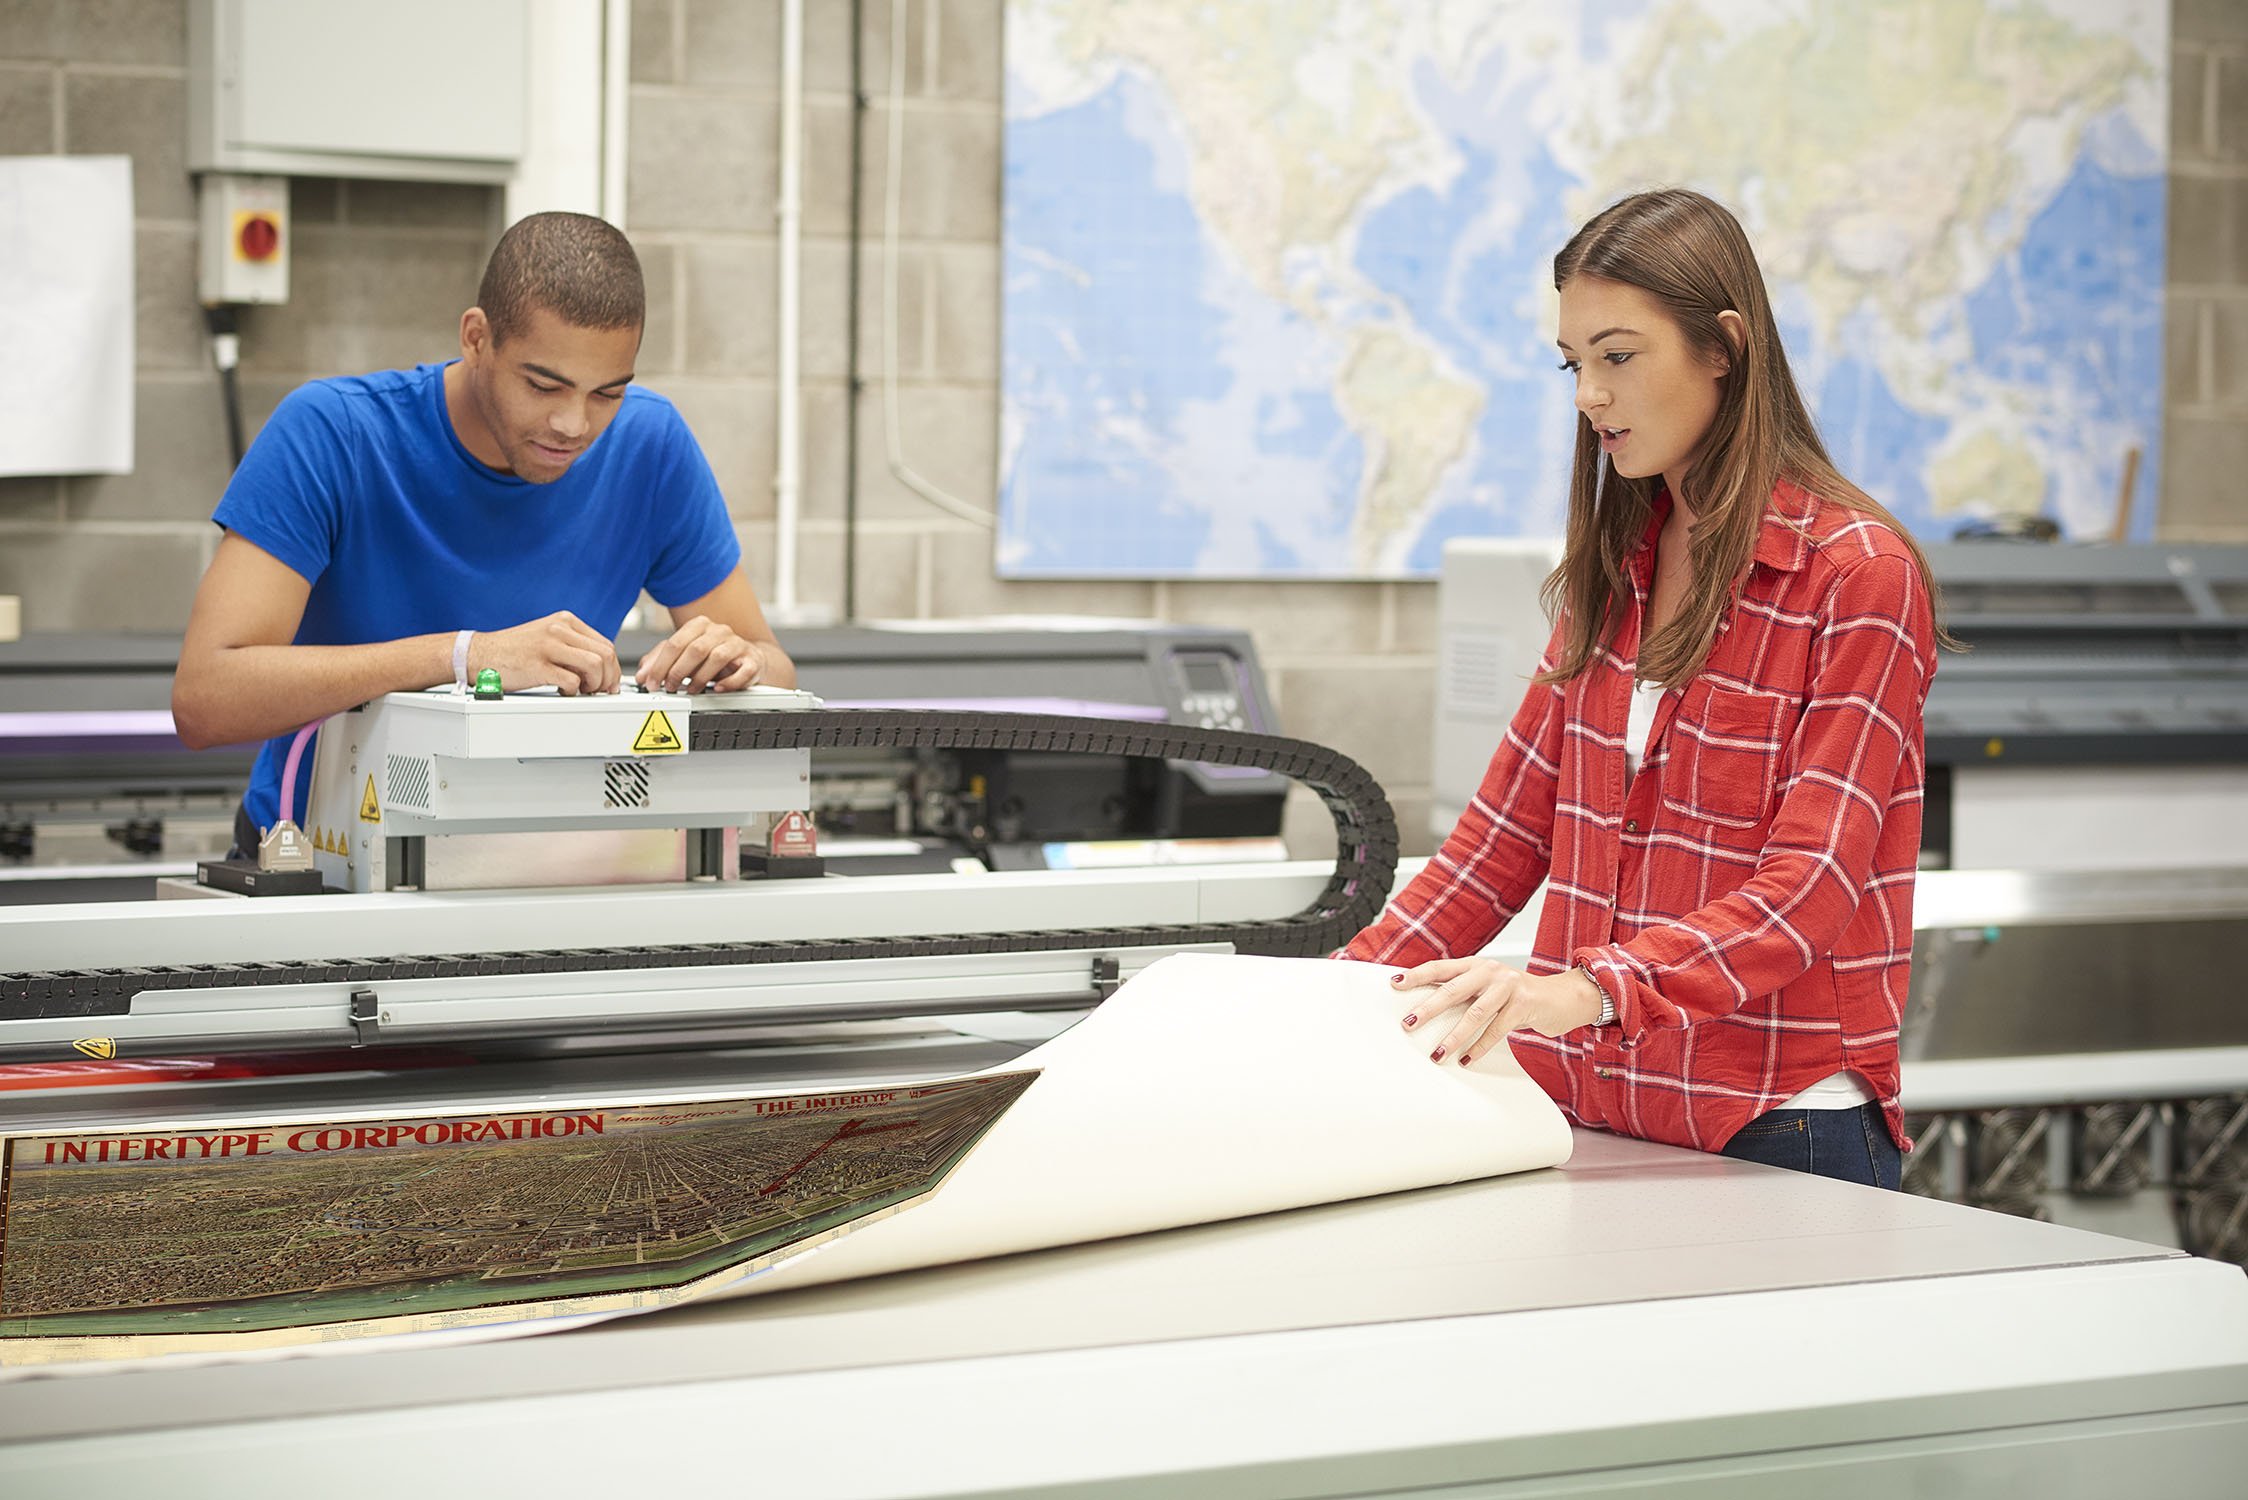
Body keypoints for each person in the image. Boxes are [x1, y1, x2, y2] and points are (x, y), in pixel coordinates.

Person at [1341, 188, 1942, 1188]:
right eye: (1574, 364)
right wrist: (1318, 1005)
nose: (1588, 395)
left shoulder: (1858, 576)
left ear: (1723, 348)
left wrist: (1580, 990)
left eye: (1617, 356)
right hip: (1583, 1110)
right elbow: (1498, 846)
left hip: (1776, 1129)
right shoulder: (1613, 572)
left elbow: (1808, 894)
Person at [172, 211, 796, 849]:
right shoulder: (334, 434)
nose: (574, 425)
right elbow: (207, 700)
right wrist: (471, 657)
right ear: (477, 338)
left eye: (607, 393)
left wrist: (739, 662)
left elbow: (776, 666)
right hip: (320, 853)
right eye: (542, 384)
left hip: (545, 858)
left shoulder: (650, 444)